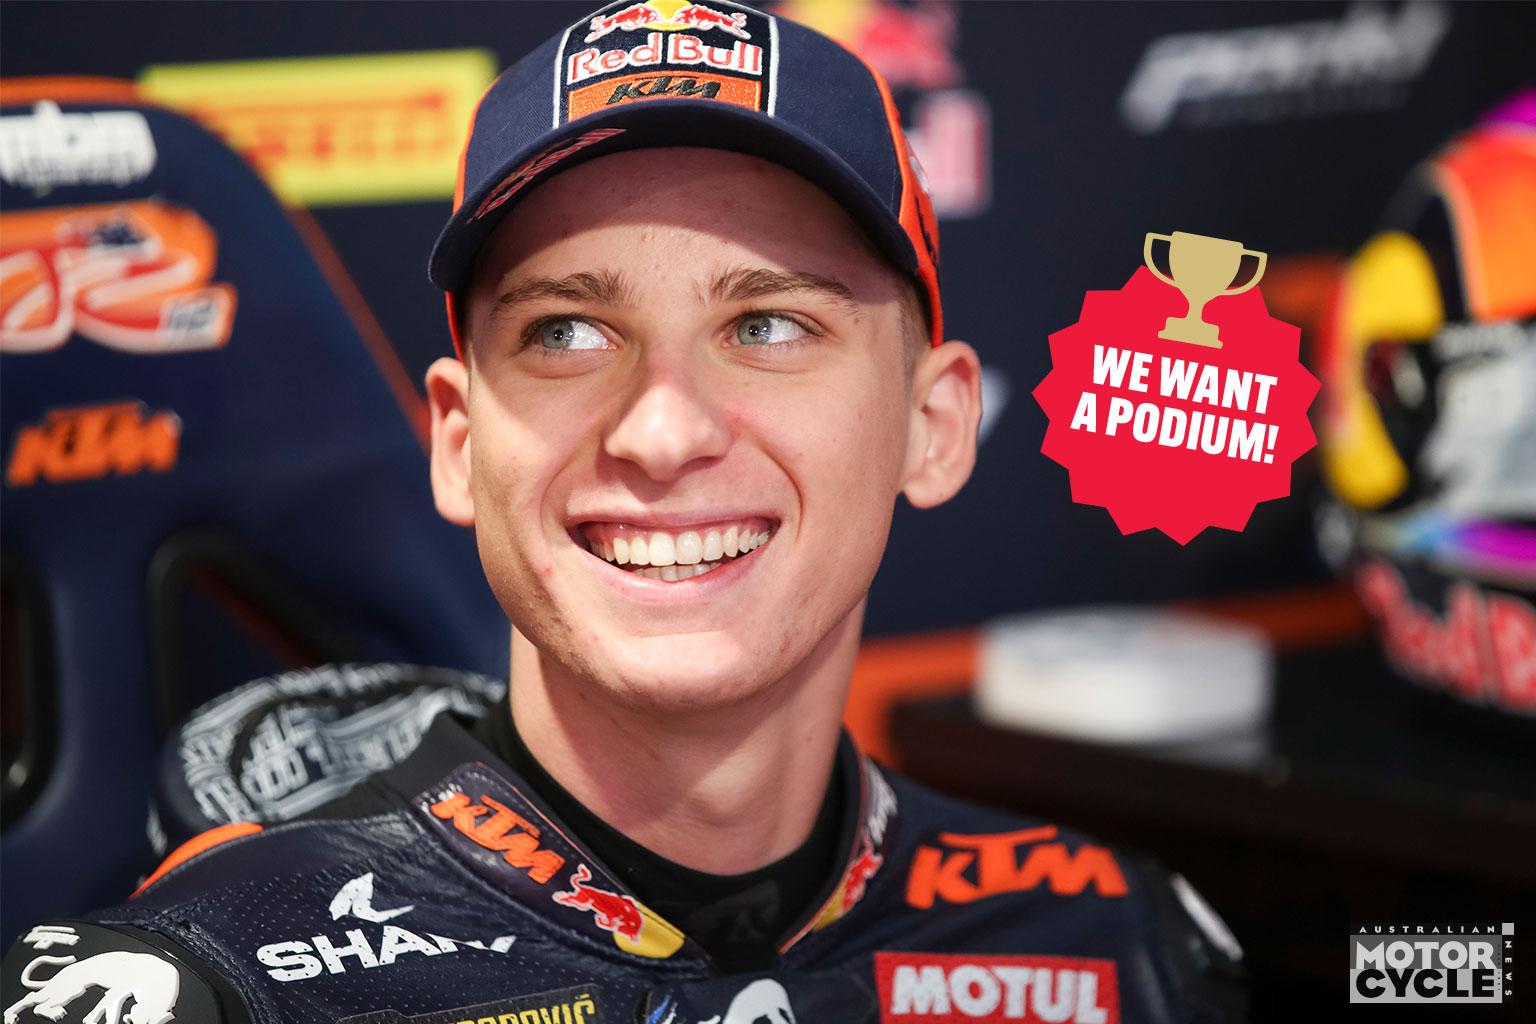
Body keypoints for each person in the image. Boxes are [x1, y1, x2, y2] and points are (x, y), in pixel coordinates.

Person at [2, 2, 1245, 1021]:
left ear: (935, 423)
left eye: (769, 324)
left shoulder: (1116, 949)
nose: (662, 430)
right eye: (567, 332)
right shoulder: (214, 986)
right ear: (459, 441)